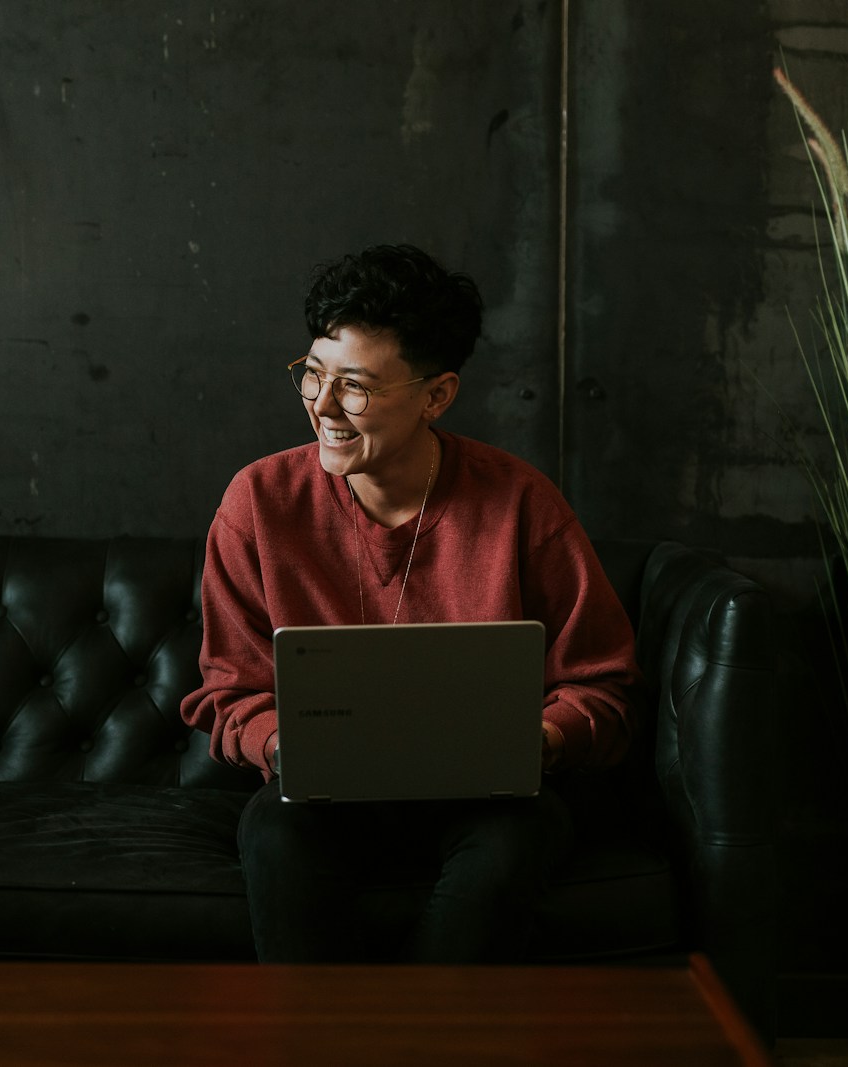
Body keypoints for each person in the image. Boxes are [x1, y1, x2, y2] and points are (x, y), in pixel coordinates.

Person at [180, 243, 643, 962]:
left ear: (437, 395)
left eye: (355, 385)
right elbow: (229, 689)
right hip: (320, 803)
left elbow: (601, 685)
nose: (324, 405)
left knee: (515, 840)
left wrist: (540, 740)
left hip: (488, 801)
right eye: (313, 374)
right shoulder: (259, 502)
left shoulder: (520, 501)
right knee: (275, 832)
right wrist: (284, 743)